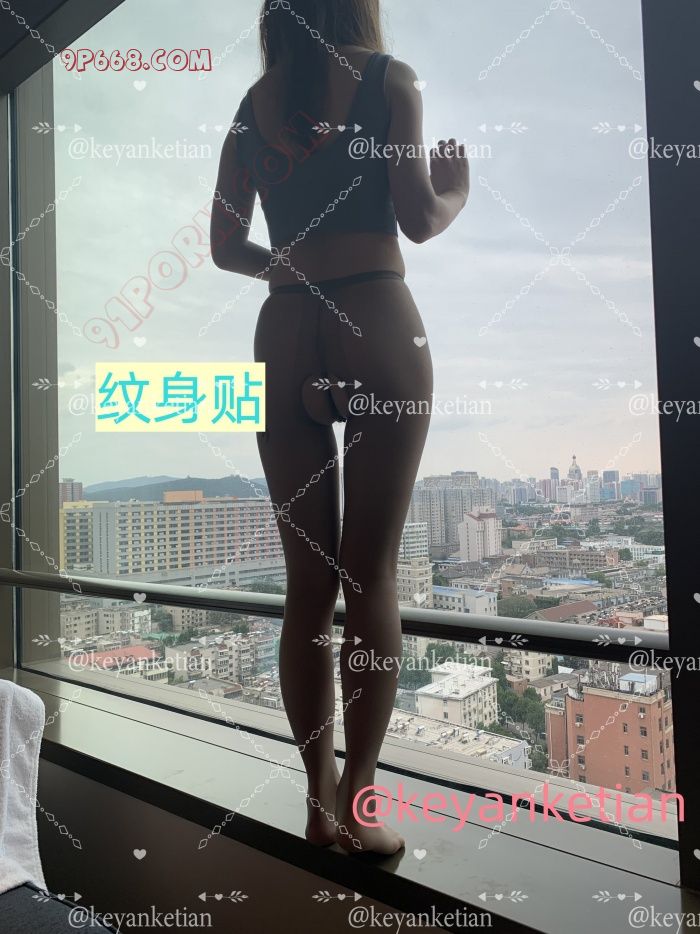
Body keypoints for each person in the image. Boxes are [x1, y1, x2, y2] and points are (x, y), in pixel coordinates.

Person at [211, 0, 469, 856]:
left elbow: (224, 245)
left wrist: (291, 267)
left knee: (307, 589)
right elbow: (419, 219)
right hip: (376, 318)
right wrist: (458, 187)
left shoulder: (250, 111)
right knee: (372, 578)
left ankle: (318, 808)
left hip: (283, 330)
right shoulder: (390, 80)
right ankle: (361, 806)